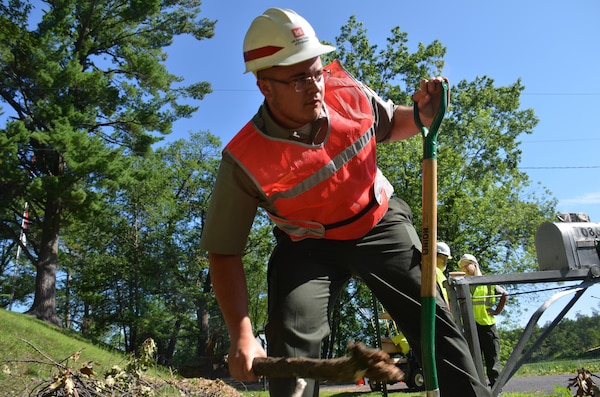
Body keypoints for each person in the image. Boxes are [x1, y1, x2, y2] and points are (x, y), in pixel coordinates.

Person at [200, 7, 491, 397]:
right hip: (308, 248)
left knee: (434, 324)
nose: (316, 86)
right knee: (290, 344)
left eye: (317, 71)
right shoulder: (244, 160)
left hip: (380, 223)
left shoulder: (349, 94)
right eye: (299, 78)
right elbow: (223, 252)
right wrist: (242, 334)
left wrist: (423, 115)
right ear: (265, 86)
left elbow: (398, 123)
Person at [459, 253, 509, 387]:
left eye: (466, 266)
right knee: (474, 360)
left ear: (474, 265)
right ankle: (479, 389)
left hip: (487, 325)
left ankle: (496, 389)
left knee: (492, 358)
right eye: (462, 267)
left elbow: (505, 294)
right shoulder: (464, 283)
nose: (464, 269)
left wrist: (497, 311)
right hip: (471, 326)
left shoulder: (487, 282)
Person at [436, 242, 452, 308]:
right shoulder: (437, 272)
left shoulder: (429, 270)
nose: (447, 262)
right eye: (447, 259)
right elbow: (444, 296)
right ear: (442, 257)